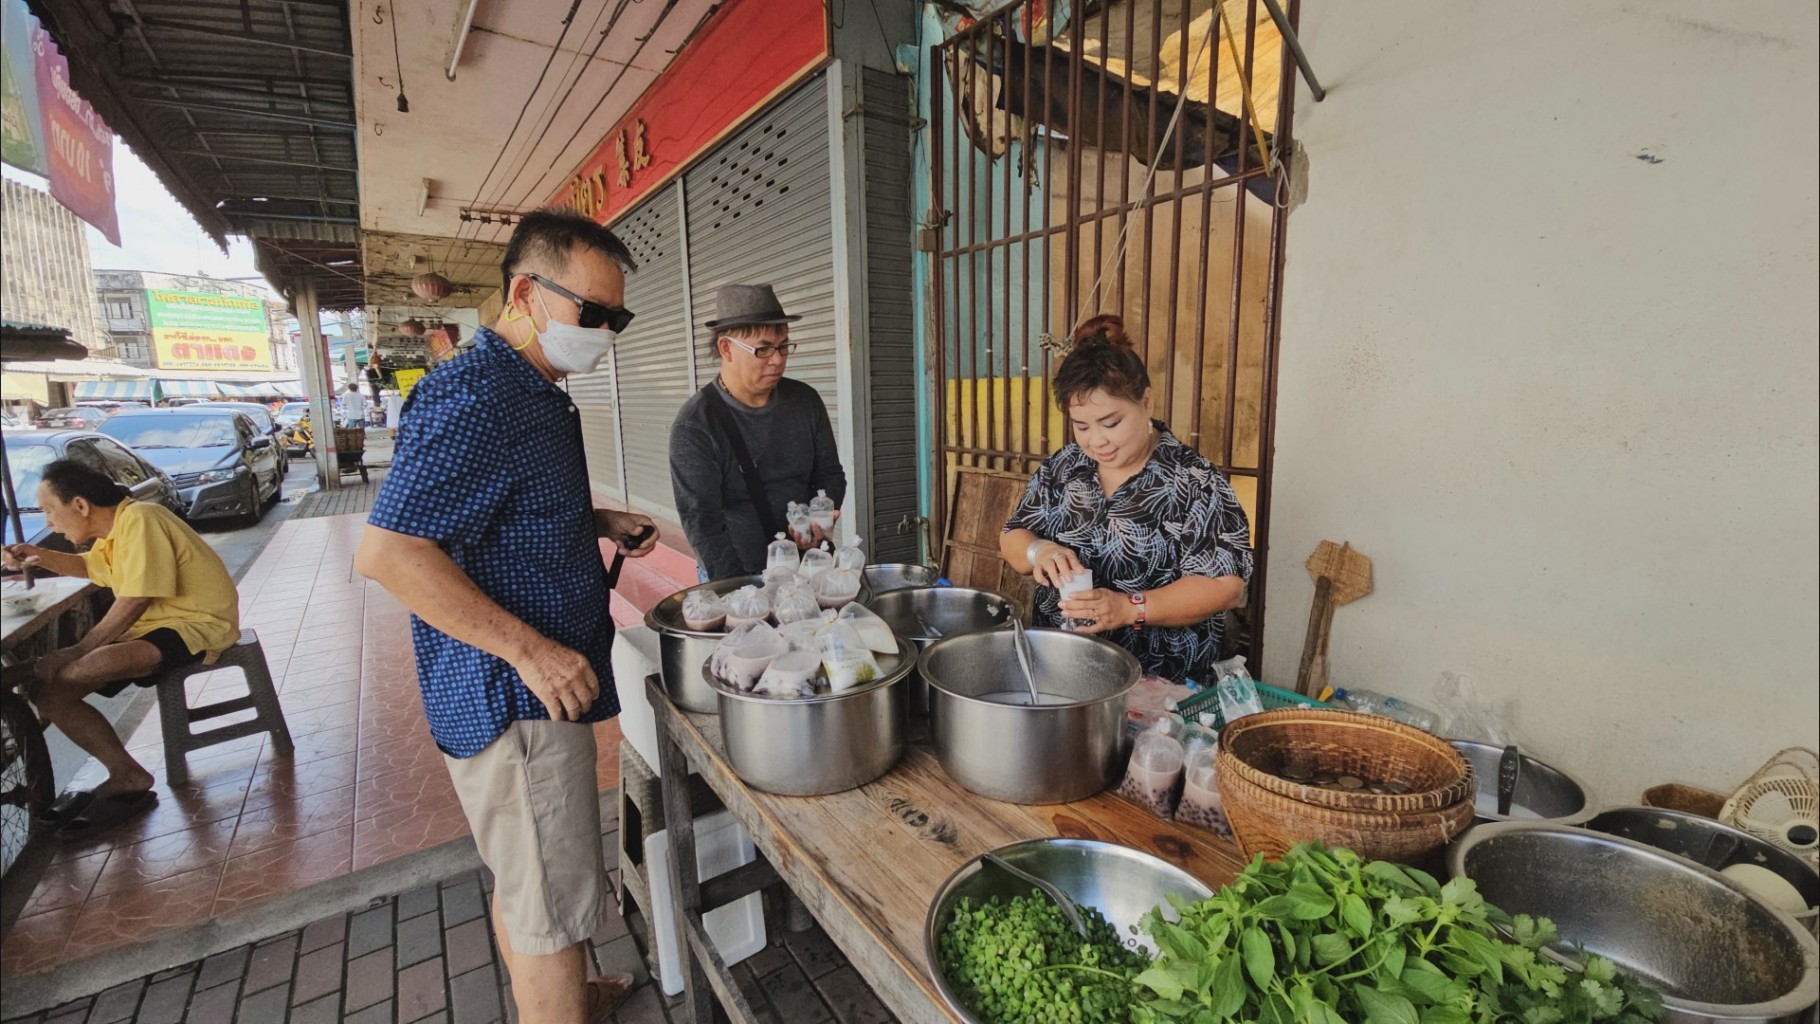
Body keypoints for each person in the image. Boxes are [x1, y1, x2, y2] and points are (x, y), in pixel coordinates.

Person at [354, 209, 654, 1024]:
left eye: (615, 319)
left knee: (533, 885)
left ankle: (571, 990)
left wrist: (593, 521)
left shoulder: (531, 388)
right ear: (525, 292)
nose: (604, 333)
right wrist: (532, 653)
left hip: (527, 696)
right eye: (592, 313)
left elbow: (487, 515)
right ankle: (558, 1000)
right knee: (546, 907)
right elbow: (391, 554)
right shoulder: (477, 394)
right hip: (514, 701)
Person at [999, 315, 1253, 682]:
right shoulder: (1065, 466)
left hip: (1160, 685)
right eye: (1082, 426)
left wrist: (1128, 607)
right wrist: (1041, 551)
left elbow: (1224, 587)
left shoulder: (1195, 480)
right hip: (1063, 669)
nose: (1096, 440)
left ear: (1146, 403)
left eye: (1111, 422)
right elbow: (1012, 535)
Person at [1, 460, 240, 834]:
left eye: (49, 510)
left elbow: (137, 596)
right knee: (51, 695)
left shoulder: (142, 518)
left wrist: (77, 650)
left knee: (78, 668)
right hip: (155, 628)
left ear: (80, 505)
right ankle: (126, 773)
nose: (48, 520)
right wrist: (40, 555)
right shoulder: (115, 533)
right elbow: (90, 568)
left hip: (196, 623)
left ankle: (31, 668)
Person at [668, 284, 847, 580]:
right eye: (762, 349)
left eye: (783, 346)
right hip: (741, 572)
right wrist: (739, 590)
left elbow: (829, 473)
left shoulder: (806, 401)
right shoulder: (696, 425)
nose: (777, 360)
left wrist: (819, 517)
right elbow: (702, 523)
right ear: (726, 349)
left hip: (810, 564)